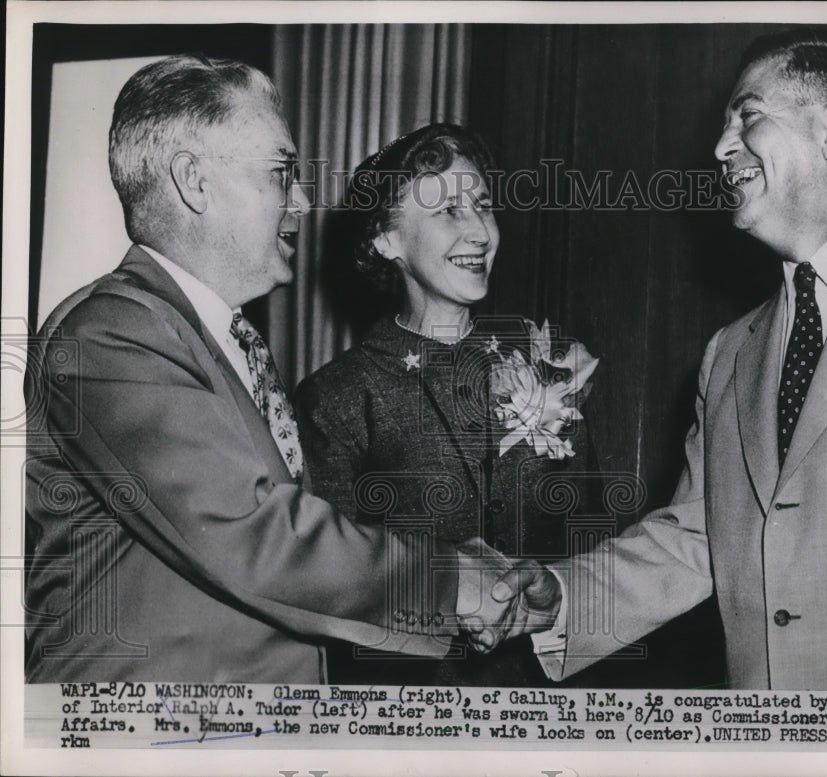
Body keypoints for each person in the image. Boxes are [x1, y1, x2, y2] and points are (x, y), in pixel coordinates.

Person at [474, 28, 827, 691]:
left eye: (749, 114)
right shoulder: (729, 352)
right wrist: (562, 599)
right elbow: (700, 537)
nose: (718, 148)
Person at [23, 56, 500, 683]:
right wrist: (453, 583)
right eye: (281, 173)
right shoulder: (112, 333)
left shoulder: (215, 338)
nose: (300, 203)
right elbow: (251, 532)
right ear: (194, 182)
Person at [294, 123, 599, 686]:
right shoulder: (336, 398)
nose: (479, 231)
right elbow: (324, 583)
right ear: (386, 241)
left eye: (482, 205)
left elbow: (596, 544)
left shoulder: (554, 370)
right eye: (447, 211)